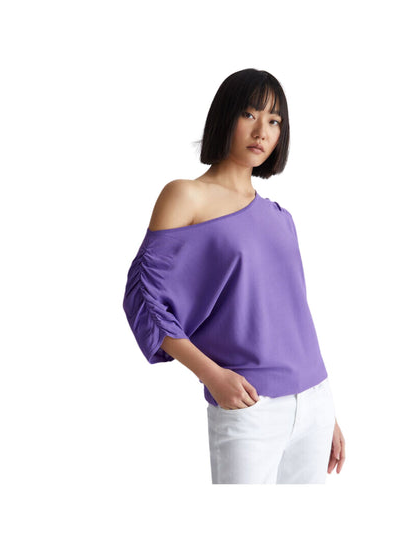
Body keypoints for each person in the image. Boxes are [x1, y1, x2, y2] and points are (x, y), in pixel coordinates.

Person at [122, 68, 345, 484]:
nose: (262, 131)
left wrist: (327, 412)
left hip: (315, 400)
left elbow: (295, 317)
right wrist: (211, 374)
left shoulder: (281, 217)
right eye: (249, 114)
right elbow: (143, 299)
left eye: (274, 121)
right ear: (226, 116)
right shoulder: (186, 195)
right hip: (249, 402)